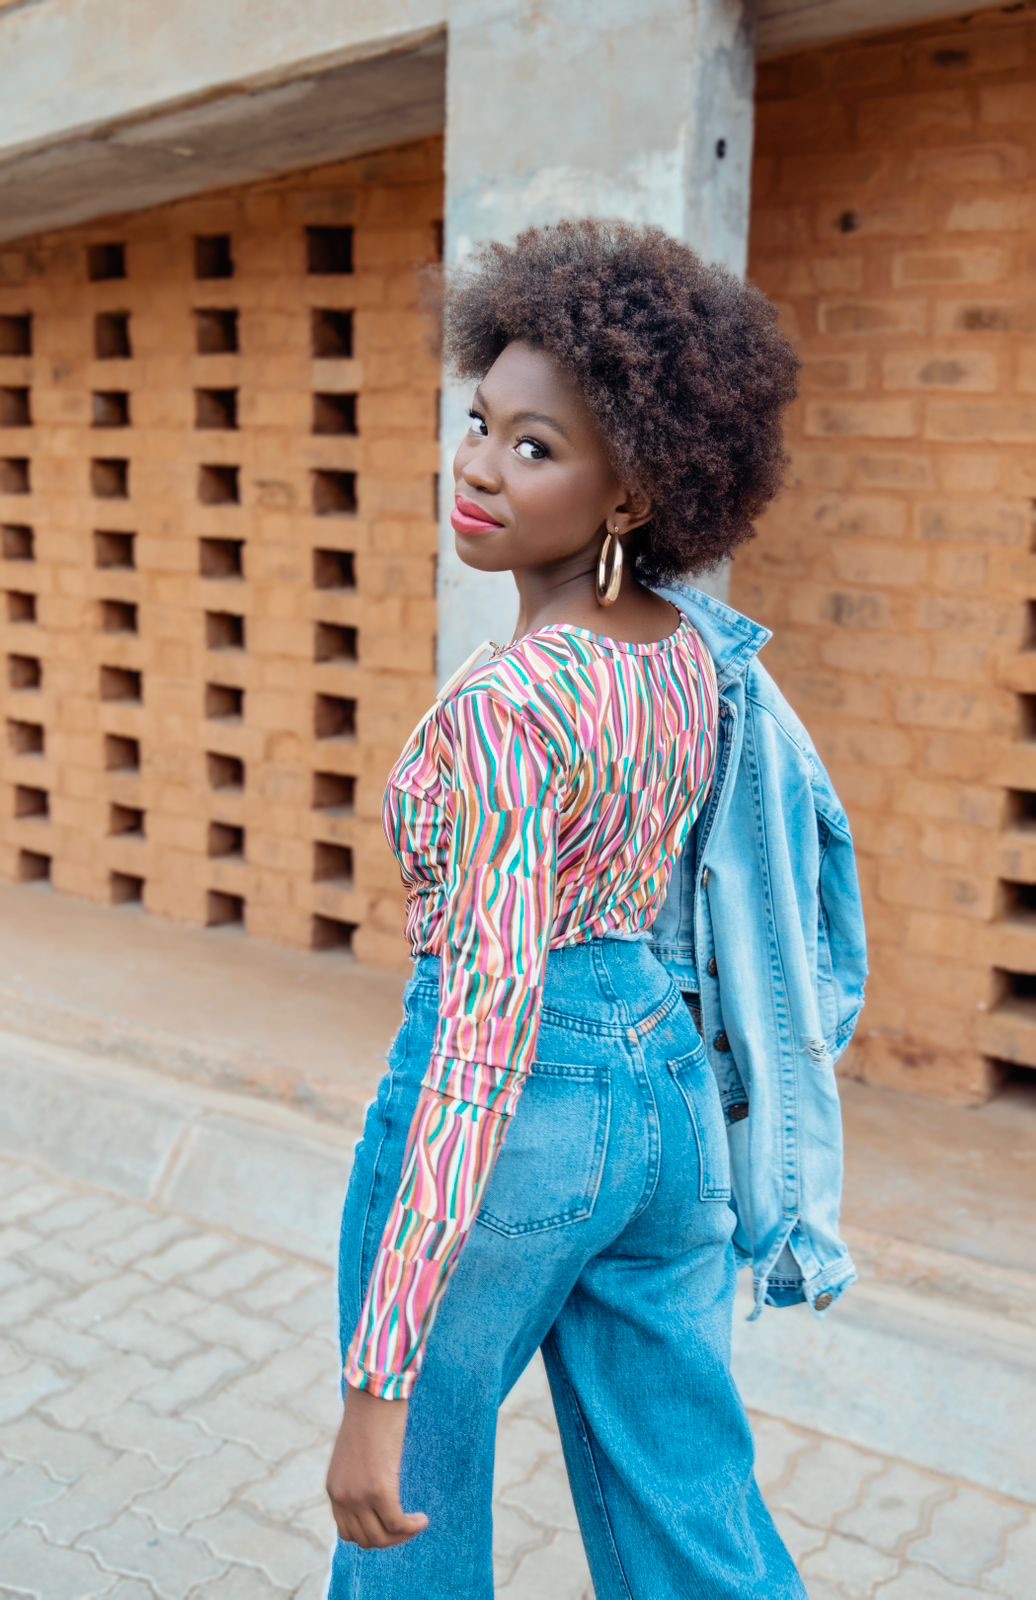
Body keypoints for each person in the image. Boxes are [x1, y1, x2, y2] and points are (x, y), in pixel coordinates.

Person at [325, 217, 807, 1597]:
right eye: (482, 423)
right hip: (661, 1101)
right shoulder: (695, 659)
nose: (477, 467)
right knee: (692, 1517)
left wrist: (379, 1381)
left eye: (536, 448)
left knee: (410, 1539)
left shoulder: (510, 705)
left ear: (631, 495)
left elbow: (481, 1040)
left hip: (516, 1111)